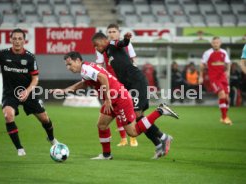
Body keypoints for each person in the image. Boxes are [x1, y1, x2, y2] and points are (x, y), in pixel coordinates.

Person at [50, 51, 179, 160]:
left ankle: (160, 111)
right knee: (101, 125)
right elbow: (83, 84)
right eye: (66, 65)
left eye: (69, 64)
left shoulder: (86, 68)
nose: (68, 67)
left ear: (78, 60)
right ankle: (106, 155)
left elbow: (103, 78)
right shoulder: (86, 70)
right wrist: (64, 90)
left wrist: (107, 99)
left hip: (119, 99)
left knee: (133, 132)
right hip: (113, 99)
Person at [93, 29, 173, 159]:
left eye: (96, 45)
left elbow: (122, 43)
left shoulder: (112, 45)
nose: (96, 48)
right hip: (129, 86)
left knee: (136, 116)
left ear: (103, 40)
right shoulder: (108, 52)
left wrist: (126, 39)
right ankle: (159, 143)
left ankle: (162, 125)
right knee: (139, 118)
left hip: (136, 82)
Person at [0, 28, 59, 156]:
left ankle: (51, 138)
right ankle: (19, 148)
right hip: (10, 93)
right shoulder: (2, 54)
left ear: (24, 40)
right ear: (11, 39)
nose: (17, 41)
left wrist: (27, 92)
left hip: (28, 92)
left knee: (44, 119)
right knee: (8, 115)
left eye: (20, 39)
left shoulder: (30, 57)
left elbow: (35, 79)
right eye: (15, 38)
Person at [96, 24, 138, 147]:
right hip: (112, 82)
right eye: (109, 31)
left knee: (130, 108)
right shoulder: (102, 47)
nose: (112, 33)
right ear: (106, 34)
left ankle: (133, 138)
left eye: (114, 31)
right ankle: (123, 138)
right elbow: (99, 65)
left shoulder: (126, 44)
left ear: (118, 33)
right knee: (116, 109)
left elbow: (133, 60)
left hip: (126, 79)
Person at [199, 36, 232, 125]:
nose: (216, 44)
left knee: (227, 98)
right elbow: (202, 64)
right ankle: (225, 118)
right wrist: (201, 76)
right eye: (214, 43)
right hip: (213, 78)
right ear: (211, 44)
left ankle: (224, 116)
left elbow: (228, 63)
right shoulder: (207, 53)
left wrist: (228, 72)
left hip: (223, 78)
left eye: (217, 42)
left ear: (220, 43)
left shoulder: (224, 52)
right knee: (221, 94)